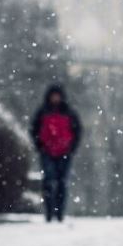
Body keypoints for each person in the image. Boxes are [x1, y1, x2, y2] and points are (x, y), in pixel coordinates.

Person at [31, 84, 82, 223]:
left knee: (61, 183)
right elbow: (34, 130)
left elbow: (77, 131)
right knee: (49, 182)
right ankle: (49, 212)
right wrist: (40, 146)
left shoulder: (69, 113)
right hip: (47, 152)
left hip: (64, 152)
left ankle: (59, 213)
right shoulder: (42, 112)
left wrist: (71, 148)